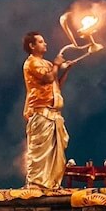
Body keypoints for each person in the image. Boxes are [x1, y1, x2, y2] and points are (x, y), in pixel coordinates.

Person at [22, 31, 71, 190]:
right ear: (32, 45)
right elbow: (48, 79)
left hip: (54, 116)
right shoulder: (32, 63)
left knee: (55, 155)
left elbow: (56, 85)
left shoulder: (48, 64)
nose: (45, 44)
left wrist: (66, 70)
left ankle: (52, 184)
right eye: (41, 42)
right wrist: (57, 64)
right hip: (42, 114)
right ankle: (37, 185)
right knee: (40, 154)